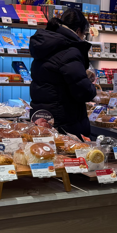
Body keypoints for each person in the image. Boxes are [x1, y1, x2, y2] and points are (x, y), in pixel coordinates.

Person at [29, 9, 96, 137]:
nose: (83, 38)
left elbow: (56, 77)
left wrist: (82, 75)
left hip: (41, 117)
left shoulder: (47, 44)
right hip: (64, 122)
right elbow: (83, 91)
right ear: (78, 31)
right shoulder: (70, 51)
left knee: (43, 147)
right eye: (84, 34)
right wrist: (91, 87)